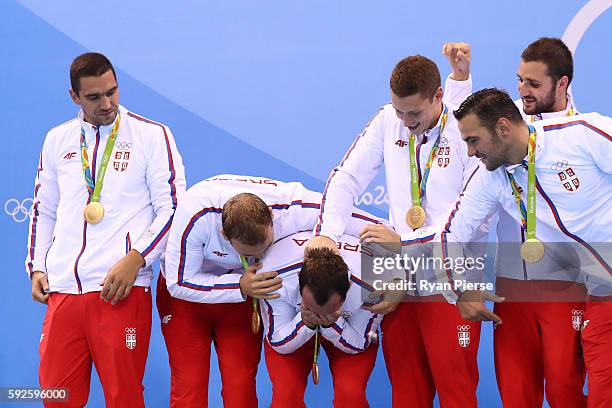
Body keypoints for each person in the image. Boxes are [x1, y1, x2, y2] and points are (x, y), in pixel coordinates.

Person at [401, 88, 610, 407]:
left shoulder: (578, 135)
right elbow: (451, 235)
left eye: (473, 141)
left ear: (502, 128)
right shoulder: (492, 180)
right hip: (602, 291)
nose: (470, 153)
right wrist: (458, 292)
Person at [308, 43, 486, 407]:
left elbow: (468, 216)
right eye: (399, 111)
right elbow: (347, 178)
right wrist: (326, 232)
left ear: (439, 96)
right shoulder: (387, 120)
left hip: (451, 276)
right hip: (399, 277)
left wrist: (402, 242)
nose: (406, 121)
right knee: (407, 393)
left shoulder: (467, 131)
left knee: (457, 392)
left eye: (414, 113)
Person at [25, 52, 186, 407]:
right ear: (74, 97)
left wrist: (137, 258)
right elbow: (44, 208)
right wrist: (38, 266)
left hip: (119, 291)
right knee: (56, 397)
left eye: (112, 92)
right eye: (95, 97)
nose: (107, 103)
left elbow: (172, 209)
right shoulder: (57, 139)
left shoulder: (152, 135)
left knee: (123, 397)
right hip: (64, 290)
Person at [159, 174, 382, 407]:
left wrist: (394, 286)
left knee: (240, 388)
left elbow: (380, 228)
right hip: (194, 295)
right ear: (225, 236)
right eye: (249, 253)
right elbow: (177, 282)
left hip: (244, 294)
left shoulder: (294, 206)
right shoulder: (195, 214)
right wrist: (239, 286)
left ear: (272, 216)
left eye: (268, 245)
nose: (263, 256)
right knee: (189, 386)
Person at [494, 37, 587, 407]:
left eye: (533, 84)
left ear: (561, 84)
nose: (522, 90)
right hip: (511, 288)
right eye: (519, 80)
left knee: (565, 392)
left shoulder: (585, 136)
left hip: (565, 288)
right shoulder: (501, 127)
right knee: (516, 395)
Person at [260, 232, 384, 407]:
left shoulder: (374, 284)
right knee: (285, 399)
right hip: (293, 322)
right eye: (309, 306)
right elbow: (278, 341)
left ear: (348, 289)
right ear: (298, 282)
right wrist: (306, 322)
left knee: (351, 396)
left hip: (346, 327)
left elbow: (360, 343)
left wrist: (331, 324)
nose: (318, 314)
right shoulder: (273, 276)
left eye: (328, 310)